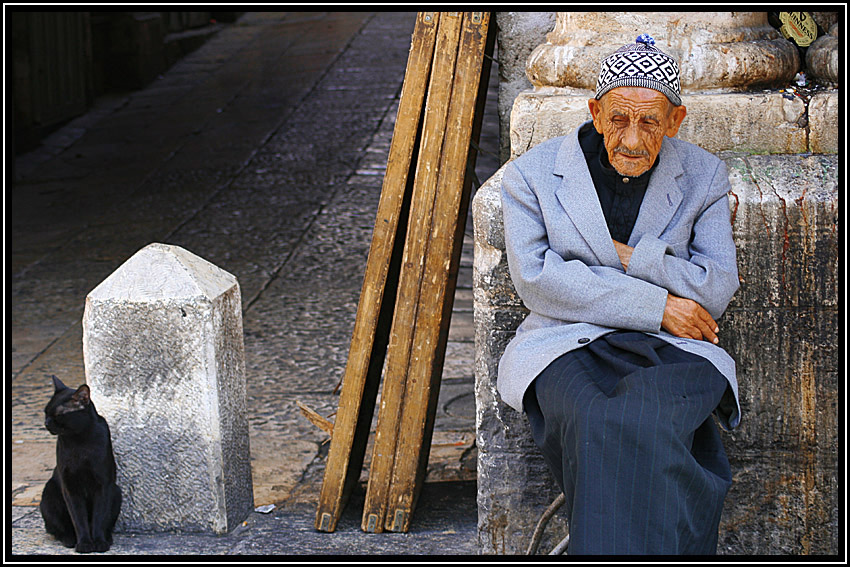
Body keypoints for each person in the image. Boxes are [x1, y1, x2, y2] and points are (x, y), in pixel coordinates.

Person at [498, 34, 741, 555]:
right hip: (567, 342)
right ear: (594, 112)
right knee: (599, 418)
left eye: (650, 122)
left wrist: (630, 257)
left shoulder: (705, 176)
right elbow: (539, 280)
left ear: (675, 121)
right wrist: (657, 305)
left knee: (651, 419)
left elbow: (716, 286)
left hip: (677, 347)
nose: (632, 139)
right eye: (618, 120)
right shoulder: (532, 177)